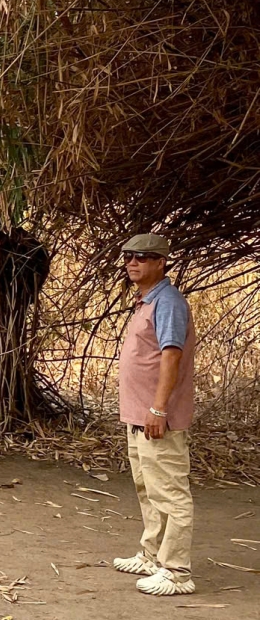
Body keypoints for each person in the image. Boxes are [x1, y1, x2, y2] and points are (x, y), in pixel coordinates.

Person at [112, 233, 195, 597]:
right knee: (148, 488)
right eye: (129, 256)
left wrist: (159, 408)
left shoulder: (169, 302)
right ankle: (151, 554)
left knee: (171, 492)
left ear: (161, 262)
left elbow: (171, 355)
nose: (132, 263)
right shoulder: (147, 300)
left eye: (142, 257)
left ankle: (177, 571)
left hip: (156, 415)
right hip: (139, 415)